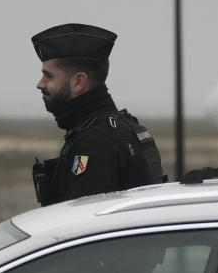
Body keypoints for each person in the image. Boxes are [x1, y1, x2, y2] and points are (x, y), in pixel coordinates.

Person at [30, 23, 164, 206]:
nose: (40, 84)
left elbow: (80, 224)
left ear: (79, 82)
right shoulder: (115, 129)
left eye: (49, 76)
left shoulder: (96, 142)